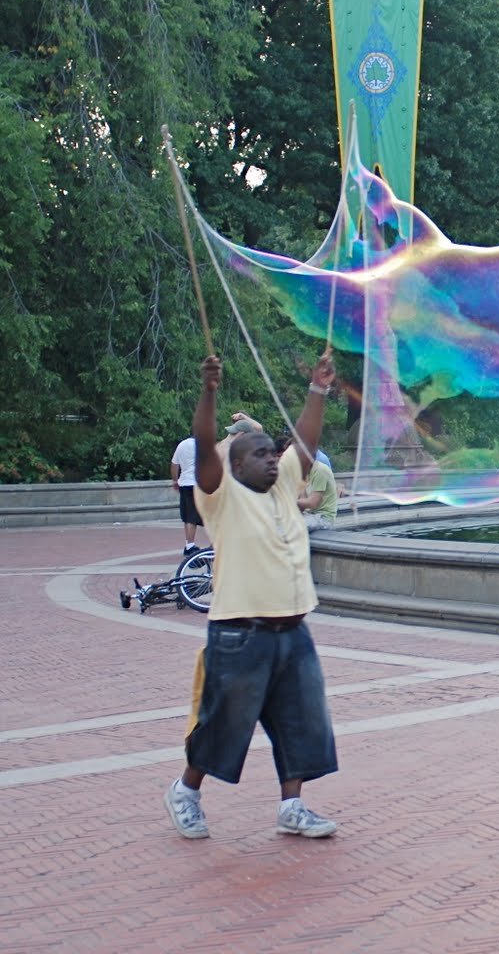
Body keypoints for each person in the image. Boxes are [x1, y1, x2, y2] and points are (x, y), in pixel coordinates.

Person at [163, 348, 341, 842]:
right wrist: (209, 392)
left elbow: (305, 442)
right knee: (224, 723)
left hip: (293, 627)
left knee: (302, 720)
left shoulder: (283, 487)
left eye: (272, 453)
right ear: (234, 465)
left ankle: (292, 806)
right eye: (260, 454)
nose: (272, 459)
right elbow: (203, 445)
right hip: (240, 631)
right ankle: (185, 791)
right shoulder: (219, 497)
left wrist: (318, 389)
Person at [170, 436, 205, 556]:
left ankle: (189, 544)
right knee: (199, 516)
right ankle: (195, 545)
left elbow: (174, 464)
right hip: (199, 483)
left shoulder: (182, 445)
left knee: (188, 515)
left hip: (185, 483)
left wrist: (175, 480)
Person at [297, 456, 338, 532]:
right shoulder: (303, 472)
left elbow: (313, 503)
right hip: (309, 515)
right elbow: (302, 503)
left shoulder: (320, 470)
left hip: (323, 517)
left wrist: (289, 501)